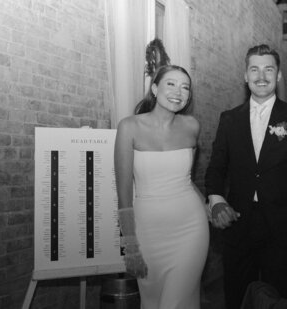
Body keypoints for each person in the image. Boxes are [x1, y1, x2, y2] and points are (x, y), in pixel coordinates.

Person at [205, 44, 287, 308]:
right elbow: (216, 168)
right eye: (255, 69)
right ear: (245, 76)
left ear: (279, 75)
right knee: (237, 295)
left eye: (268, 69)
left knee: (277, 295)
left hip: (282, 224)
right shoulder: (229, 119)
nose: (261, 76)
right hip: (238, 222)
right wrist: (216, 202)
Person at [114, 64, 209, 309]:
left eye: (185, 87)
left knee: (175, 303)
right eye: (171, 83)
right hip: (148, 232)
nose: (179, 91)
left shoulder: (192, 126)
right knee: (153, 302)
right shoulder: (129, 127)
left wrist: (208, 206)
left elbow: (185, 179)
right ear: (155, 88)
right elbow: (124, 195)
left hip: (191, 227)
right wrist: (131, 245)